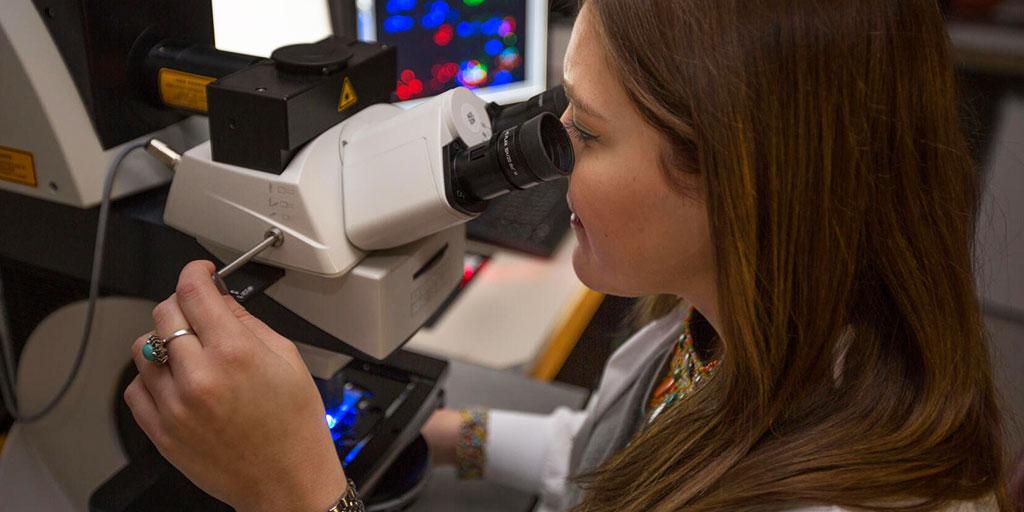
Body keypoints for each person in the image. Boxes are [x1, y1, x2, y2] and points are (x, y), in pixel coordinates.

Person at [123, 0, 1011, 510]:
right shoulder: (739, 331)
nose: (548, 156)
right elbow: (598, 456)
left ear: (738, 176)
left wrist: (303, 494)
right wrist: (426, 437)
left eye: (580, 133)